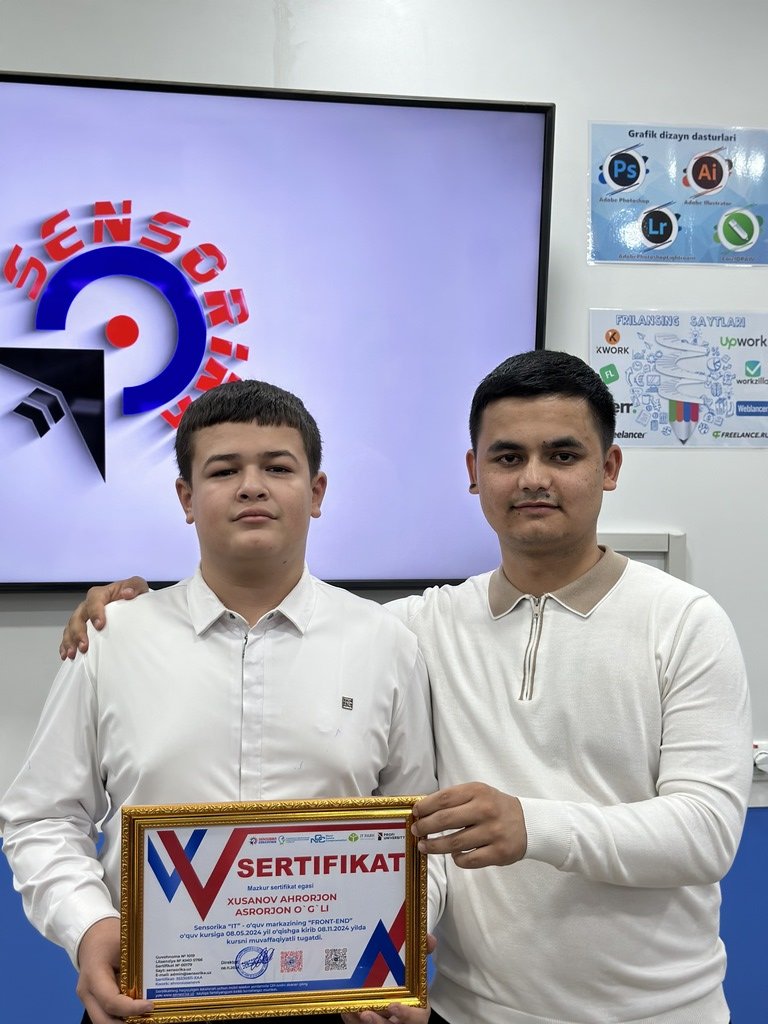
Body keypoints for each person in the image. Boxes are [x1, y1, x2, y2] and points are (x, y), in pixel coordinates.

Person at [55, 350, 753, 1023]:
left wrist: (532, 823)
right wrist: (137, 612)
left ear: (610, 467)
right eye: (508, 457)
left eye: (563, 455)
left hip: (655, 1011)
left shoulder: (683, 622)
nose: (534, 478)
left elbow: (707, 831)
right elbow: (282, 620)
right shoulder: (415, 628)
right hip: (467, 1010)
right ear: (475, 473)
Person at [0, 379, 437, 1024]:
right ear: (186, 497)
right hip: (145, 998)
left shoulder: (385, 642)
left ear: (317, 492)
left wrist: (400, 935)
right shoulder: (113, 639)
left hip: (336, 999)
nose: (251, 487)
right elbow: (42, 817)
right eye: (224, 470)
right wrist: (89, 926)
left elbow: (421, 829)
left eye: (278, 468)